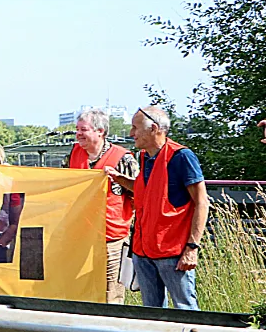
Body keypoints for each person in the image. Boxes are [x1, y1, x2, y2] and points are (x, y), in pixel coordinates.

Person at [107, 106, 209, 311]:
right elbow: (145, 190)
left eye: (135, 128)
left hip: (173, 253)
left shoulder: (182, 157)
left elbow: (202, 202)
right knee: (151, 313)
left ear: (153, 128)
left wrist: (192, 248)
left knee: (186, 309)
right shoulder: (145, 157)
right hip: (143, 251)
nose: (131, 133)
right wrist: (119, 178)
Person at [60, 108, 139, 304]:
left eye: (83, 130)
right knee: (80, 288)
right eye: (77, 129)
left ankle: (112, 330)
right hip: (80, 236)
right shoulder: (73, 154)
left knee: (110, 290)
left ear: (100, 132)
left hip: (111, 237)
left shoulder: (123, 158)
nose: (78, 134)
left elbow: (140, 192)